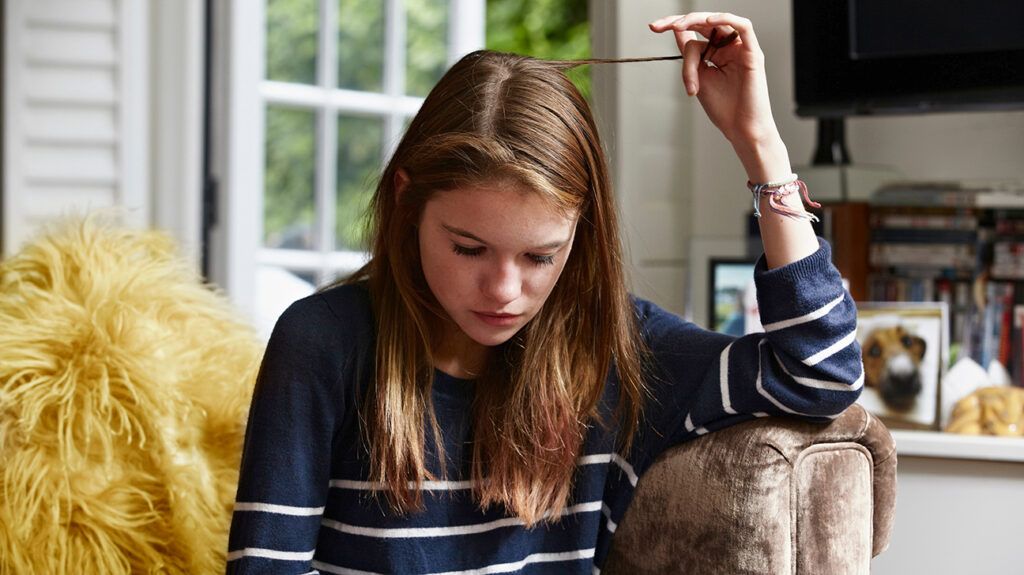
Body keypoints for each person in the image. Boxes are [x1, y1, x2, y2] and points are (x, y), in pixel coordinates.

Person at [226, 12, 864, 574]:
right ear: (405, 200)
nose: (504, 290)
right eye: (468, 248)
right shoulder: (323, 341)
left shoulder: (617, 350)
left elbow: (821, 374)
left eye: (540, 256)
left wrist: (762, 150)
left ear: (580, 233)